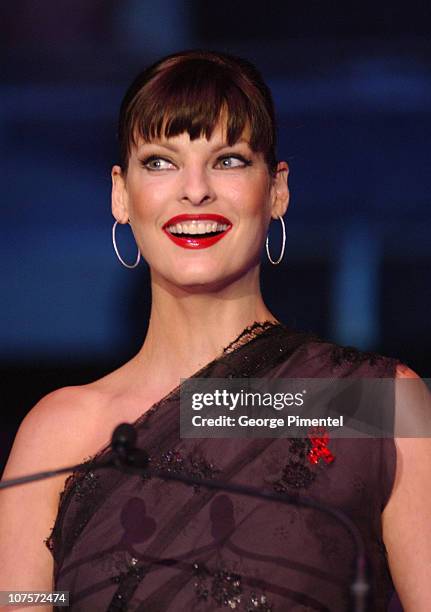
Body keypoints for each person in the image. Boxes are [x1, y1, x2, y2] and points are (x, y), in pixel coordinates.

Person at [0, 49, 430, 612]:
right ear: (121, 194)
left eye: (228, 160)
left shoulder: (377, 403)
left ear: (276, 190)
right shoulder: (57, 436)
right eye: (160, 162)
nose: (195, 189)